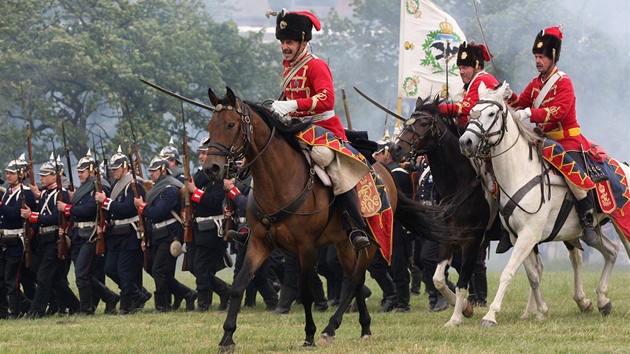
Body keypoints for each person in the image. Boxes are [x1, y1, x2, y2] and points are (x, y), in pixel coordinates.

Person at [227, 9, 370, 250]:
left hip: (323, 128)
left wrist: (293, 105)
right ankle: (253, 227)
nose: (285, 46)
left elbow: (326, 100)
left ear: (303, 41)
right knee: (265, 157)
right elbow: (287, 101)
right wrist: (276, 107)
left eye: (290, 41)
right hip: (297, 129)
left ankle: (354, 225)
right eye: (283, 42)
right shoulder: (288, 68)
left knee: (325, 158)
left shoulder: (316, 66)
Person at [503, 25, 599, 248]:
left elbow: (559, 112)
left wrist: (530, 113)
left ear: (553, 57)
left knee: (571, 172)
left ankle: (587, 220)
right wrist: (510, 96)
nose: (538, 60)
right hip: (543, 141)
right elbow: (522, 102)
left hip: (567, 140)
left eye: (542, 57)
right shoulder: (536, 83)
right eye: (536, 56)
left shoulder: (563, 82)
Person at [57, 150, 120, 316]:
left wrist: (68, 208)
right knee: (84, 274)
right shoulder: (83, 188)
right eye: (78, 171)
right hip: (79, 233)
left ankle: (86, 309)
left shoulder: (99, 186)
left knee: (81, 274)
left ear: (92, 170)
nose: (79, 174)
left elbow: (90, 208)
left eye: (82, 171)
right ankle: (110, 297)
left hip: (91, 233)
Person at [134, 156, 196, 312]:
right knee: (156, 270)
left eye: (154, 171)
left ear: (163, 170)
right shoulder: (156, 189)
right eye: (150, 171)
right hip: (157, 234)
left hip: (170, 234)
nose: (151, 174)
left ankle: (162, 306)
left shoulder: (170, 189)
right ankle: (187, 294)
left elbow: (157, 212)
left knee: (159, 271)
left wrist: (141, 206)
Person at [95, 147, 151, 314]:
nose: (113, 172)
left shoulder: (134, 185)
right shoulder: (115, 185)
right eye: (112, 169)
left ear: (125, 167)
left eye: (116, 169)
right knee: (110, 268)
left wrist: (105, 202)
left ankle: (126, 305)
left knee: (124, 271)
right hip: (115, 233)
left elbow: (127, 209)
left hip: (129, 233)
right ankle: (138, 294)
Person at [19, 154, 76, 318]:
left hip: (55, 239)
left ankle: (36, 311)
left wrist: (33, 217)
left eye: (45, 175)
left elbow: (58, 218)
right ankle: (74, 304)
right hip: (43, 239)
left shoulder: (61, 193)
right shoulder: (44, 194)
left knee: (43, 277)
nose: (41, 178)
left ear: (54, 176)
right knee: (51, 277)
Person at [185, 137, 231, 312]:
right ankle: (224, 290)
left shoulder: (219, 176)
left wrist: (195, 192)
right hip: (197, 227)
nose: (202, 157)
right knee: (194, 266)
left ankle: (203, 304)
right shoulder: (200, 174)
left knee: (201, 267)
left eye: (205, 153)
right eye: (201, 153)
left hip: (212, 229)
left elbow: (214, 201)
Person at [373, 141, 414, 312]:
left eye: (379, 153)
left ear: (387, 154)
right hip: (380, 224)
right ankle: (390, 294)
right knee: (374, 264)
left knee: (398, 267)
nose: (375, 156)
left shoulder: (399, 174)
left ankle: (403, 302)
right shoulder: (379, 173)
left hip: (397, 224)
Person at [1, 154, 37, 319]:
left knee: (12, 280)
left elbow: (15, 214)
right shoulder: (8, 193)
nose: (8, 175)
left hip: (17, 241)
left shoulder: (26, 193)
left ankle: (15, 313)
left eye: (12, 173)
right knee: (4, 279)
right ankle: (21, 307)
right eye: (8, 173)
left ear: (21, 174)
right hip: (6, 240)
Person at [439, 41, 499, 129]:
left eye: (464, 68)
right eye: (460, 68)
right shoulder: (475, 80)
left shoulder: (481, 80)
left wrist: (438, 108)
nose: (461, 72)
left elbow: (466, 107)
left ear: (477, 68)